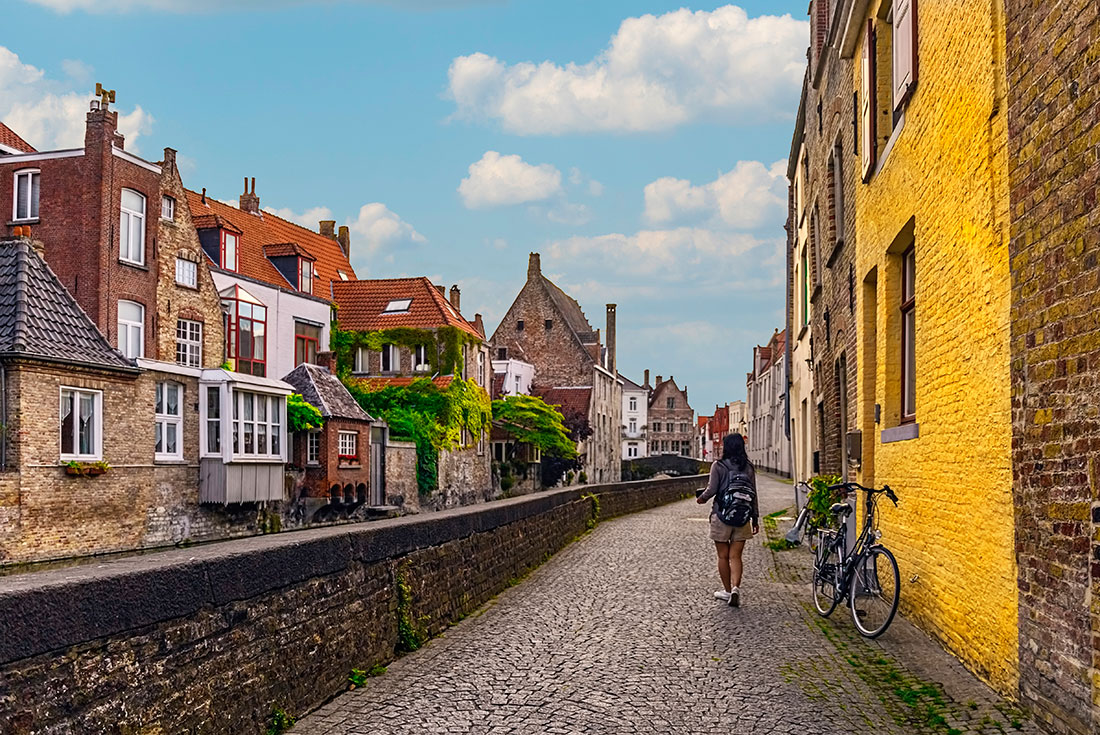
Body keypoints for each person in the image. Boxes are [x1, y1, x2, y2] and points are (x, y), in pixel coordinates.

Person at [697, 433, 759, 607]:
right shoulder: (748, 467)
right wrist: (755, 518)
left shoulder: (718, 465)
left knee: (723, 556)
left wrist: (701, 498)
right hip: (743, 517)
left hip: (721, 516)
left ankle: (726, 590)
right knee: (736, 556)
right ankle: (735, 588)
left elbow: (711, 489)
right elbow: (753, 494)